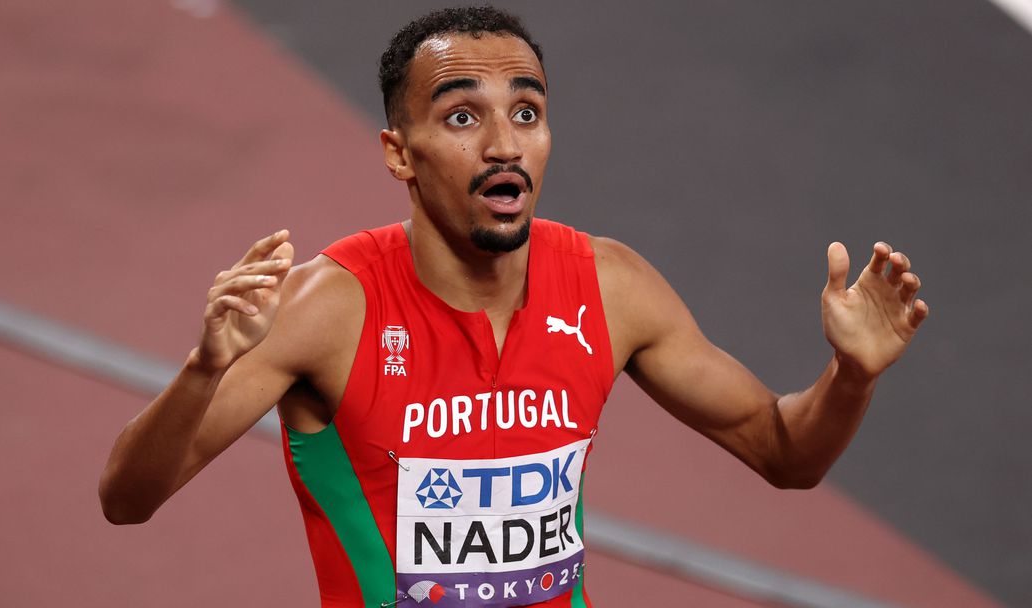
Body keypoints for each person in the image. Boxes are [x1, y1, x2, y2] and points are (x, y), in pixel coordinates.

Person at [99, 6, 928, 608]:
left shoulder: (609, 286)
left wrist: (850, 376)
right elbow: (126, 499)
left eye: (525, 113)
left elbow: (785, 453)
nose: (503, 145)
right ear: (399, 153)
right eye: (462, 116)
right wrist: (205, 367)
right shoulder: (328, 308)